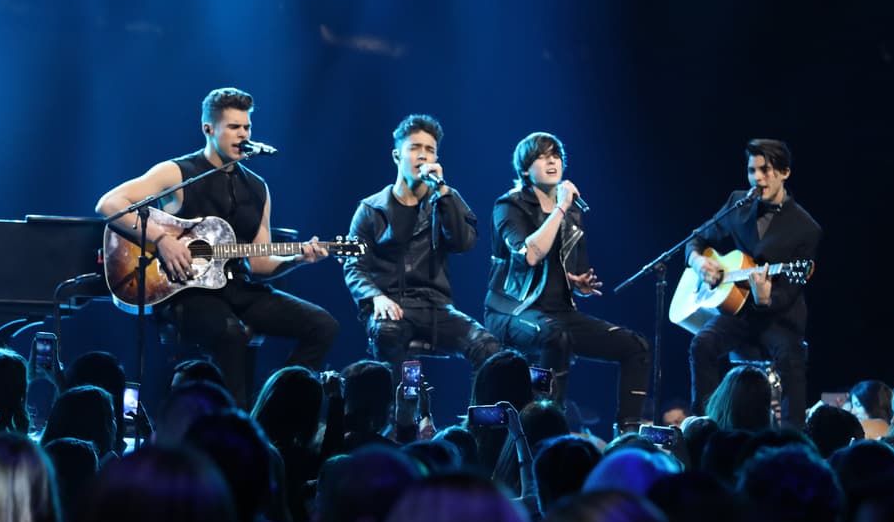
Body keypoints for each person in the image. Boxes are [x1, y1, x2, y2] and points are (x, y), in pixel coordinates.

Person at [95, 88, 338, 408]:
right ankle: (232, 423)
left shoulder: (258, 188)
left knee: (323, 325)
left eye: (247, 127)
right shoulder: (177, 172)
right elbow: (110, 204)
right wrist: (162, 240)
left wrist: (297, 258)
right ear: (208, 129)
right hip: (185, 291)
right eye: (233, 127)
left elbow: (259, 262)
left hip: (237, 289)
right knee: (231, 335)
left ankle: (275, 407)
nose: (243, 134)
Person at [484, 132, 650, 429]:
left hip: (559, 313)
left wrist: (578, 283)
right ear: (525, 170)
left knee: (635, 346)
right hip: (511, 310)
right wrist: (560, 207)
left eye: (556, 156)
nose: (552, 162)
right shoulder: (509, 206)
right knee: (555, 336)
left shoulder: (572, 214)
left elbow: (572, 268)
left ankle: (628, 430)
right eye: (542, 157)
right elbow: (529, 255)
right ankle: (547, 421)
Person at [343, 114, 499, 380]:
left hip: (434, 306)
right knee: (389, 333)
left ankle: (479, 409)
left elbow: (463, 243)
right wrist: (376, 297)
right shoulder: (371, 209)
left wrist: (444, 196)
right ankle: (407, 402)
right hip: (390, 305)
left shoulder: (446, 198)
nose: (423, 155)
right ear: (397, 155)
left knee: (488, 347)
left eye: (430, 150)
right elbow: (354, 266)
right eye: (415, 148)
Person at [686, 138, 821, 429]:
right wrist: (697, 261)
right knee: (702, 344)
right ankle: (705, 425)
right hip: (738, 312)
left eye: (765, 170)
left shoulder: (806, 227)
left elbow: (790, 292)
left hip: (779, 318)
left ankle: (793, 437)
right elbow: (697, 238)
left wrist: (765, 297)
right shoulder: (739, 203)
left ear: (784, 172)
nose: (757, 178)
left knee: (791, 360)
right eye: (752, 170)